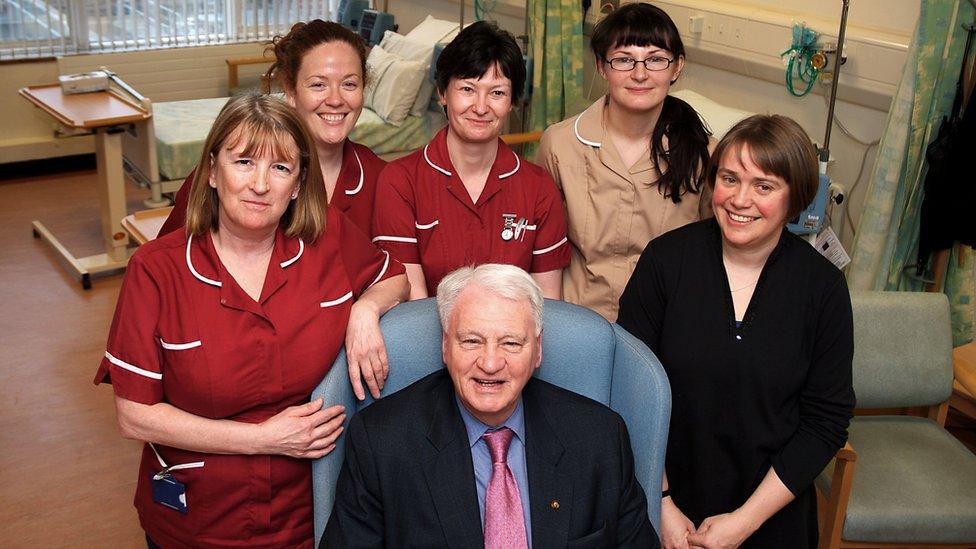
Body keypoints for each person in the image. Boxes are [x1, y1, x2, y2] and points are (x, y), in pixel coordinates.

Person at [94, 94, 408, 548]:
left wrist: (365, 310)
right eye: (243, 161)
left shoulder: (328, 239)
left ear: (298, 185)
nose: (260, 184)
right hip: (198, 518)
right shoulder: (156, 268)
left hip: (310, 511)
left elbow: (393, 277)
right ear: (212, 171)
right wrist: (263, 439)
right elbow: (135, 416)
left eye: (280, 168)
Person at [617, 115, 855, 548]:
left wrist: (744, 522)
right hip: (663, 503)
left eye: (764, 186)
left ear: (795, 196)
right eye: (729, 178)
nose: (740, 199)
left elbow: (826, 422)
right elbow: (629, 390)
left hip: (771, 512)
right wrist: (662, 502)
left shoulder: (822, 288)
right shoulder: (666, 262)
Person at [322, 264, 657, 548]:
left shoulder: (599, 438)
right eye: (472, 341)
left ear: (537, 350)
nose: (491, 362)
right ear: (445, 345)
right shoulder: (383, 442)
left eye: (511, 343)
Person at [536, 2, 711, 322]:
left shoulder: (704, 155)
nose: (640, 74)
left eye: (656, 59)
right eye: (624, 60)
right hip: (577, 320)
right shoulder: (561, 144)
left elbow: (715, 251)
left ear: (677, 67)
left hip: (666, 325)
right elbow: (541, 250)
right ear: (602, 67)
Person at [371, 21, 570, 300]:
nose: (480, 107)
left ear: (513, 101)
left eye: (497, 92)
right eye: (467, 89)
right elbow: (412, 304)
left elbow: (547, 302)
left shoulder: (538, 188)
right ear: (442, 93)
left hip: (513, 339)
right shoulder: (400, 182)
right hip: (430, 339)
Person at [159, 19, 384, 237]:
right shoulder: (230, 172)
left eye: (349, 84)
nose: (335, 99)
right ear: (291, 91)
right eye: (318, 84)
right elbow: (166, 260)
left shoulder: (384, 180)